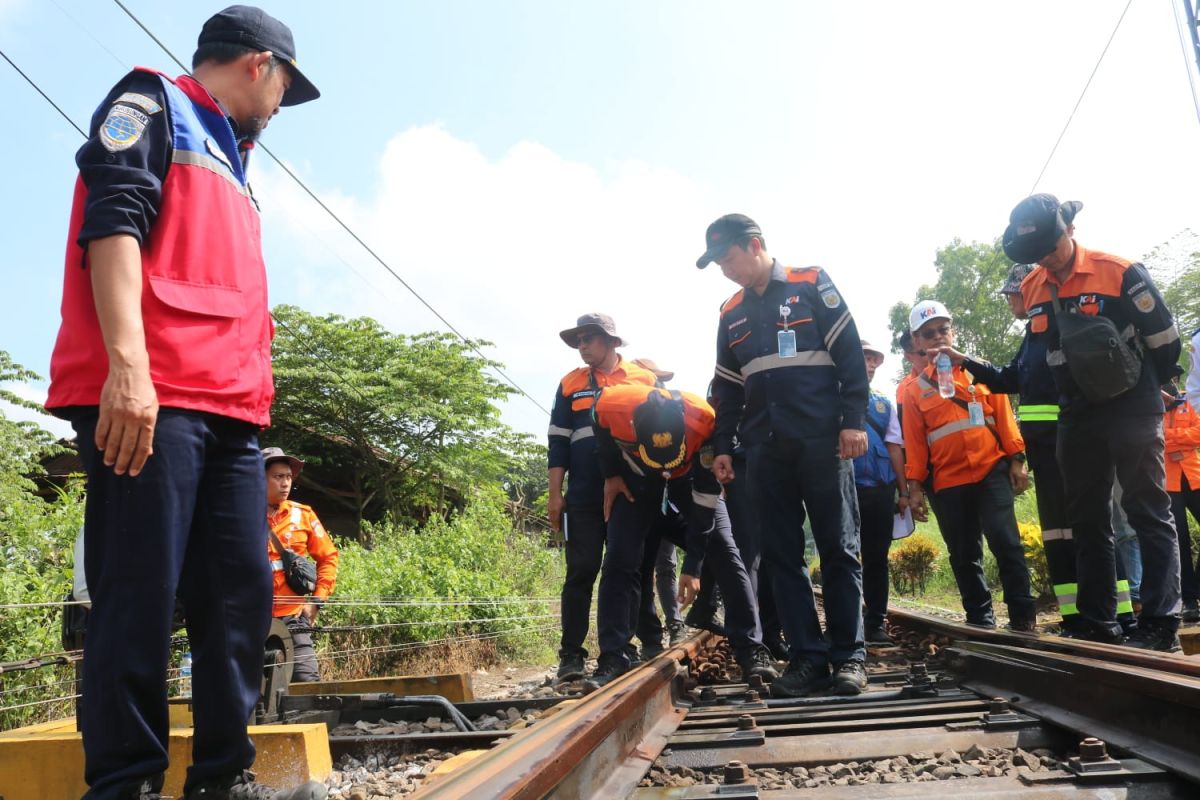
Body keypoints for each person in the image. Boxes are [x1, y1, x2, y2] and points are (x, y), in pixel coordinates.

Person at [44, 6, 325, 799]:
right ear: (258, 66)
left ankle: (222, 778)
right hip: (153, 401)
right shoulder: (152, 103)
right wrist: (127, 368)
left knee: (238, 597)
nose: (276, 111)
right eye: (281, 91)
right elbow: (114, 225)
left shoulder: (234, 165)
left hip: (233, 413)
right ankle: (127, 782)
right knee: (136, 597)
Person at [699, 213, 869, 698]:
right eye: (718, 264)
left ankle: (849, 657)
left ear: (754, 245)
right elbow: (727, 387)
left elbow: (850, 353)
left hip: (821, 440)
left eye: (729, 259)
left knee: (838, 548)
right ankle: (807, 658)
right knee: (781, 556)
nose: (726, 270)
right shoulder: (729, 311)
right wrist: (724, 447)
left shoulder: (810, 283)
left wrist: (853, 419)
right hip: (764, 450)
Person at [1004, 193, 1183, 651]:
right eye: (1035, 252)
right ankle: (1099, 622)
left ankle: (1160, 623)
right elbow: (1040, 361)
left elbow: (1164, 340)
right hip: (1076, 413)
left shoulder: (1118, 272)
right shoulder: (1033, 288)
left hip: (1130, 405)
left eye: (1050, 244)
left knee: (1146, 508)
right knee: (1086, 518)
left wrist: (1145, 390)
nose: (1045, 257)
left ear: (1069, 231)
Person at [938, 264, 1135, 635]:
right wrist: (965, 361)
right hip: (1046, 454)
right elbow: (1010, 378)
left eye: (1015, 291)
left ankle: (1118, 615)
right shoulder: (1034, 334)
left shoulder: (1062, 327)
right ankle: (1075, 618)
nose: (1011, 298)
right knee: (1059, 535)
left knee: (1089, 530)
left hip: (1070, 447)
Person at [587, 384, 777, 687]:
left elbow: (705, 504)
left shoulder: (703, 422)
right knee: (619, 558)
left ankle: (752, 650)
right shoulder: (610, 406)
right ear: (634, 428)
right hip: (635, 476)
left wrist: (693, 567)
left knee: (726, 552)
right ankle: (613, 655)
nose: (664, 467)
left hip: (689, 475)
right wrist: (611, 473)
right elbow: (598, 428)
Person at [901, 301, 1037, 631]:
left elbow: (1004, 419)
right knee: (964, 553)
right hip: (948, 481)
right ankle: (980, 620)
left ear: (953, 332)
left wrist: (1016, 461)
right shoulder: (913, 390)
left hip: (990, 470)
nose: (937, 337)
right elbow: (915, 443)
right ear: (917, 342)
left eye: (943, 329)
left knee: (1006, 541)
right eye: (928, 333)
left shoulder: (981, 371)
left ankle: (1023, 618)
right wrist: (915, 487)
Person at [547, 314, 655, 681]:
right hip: (583, 495)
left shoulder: (642, 379)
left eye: (588, 338)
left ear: (610, 341)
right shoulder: (569, 384)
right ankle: (571, 655)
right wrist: (554, 495)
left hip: (632, 491)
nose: (582, 346)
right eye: (577, 340)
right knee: (581, 570)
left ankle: (621, 648)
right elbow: (557, 443)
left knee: (627, 569)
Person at [263, 448, 339, 682]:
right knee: (252, 696)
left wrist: (316, 602)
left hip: (293, 618)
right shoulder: (238, 516)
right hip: (250, 620)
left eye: (288, 477)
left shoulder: (303, 515)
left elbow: (328, 558)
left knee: (308, 684)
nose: (285, 483)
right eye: (278, 477)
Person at [854, 341, 908, 645]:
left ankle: (875, 623)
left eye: (875, 360)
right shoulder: (829, 398)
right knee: (844, 557)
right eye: (866, 359)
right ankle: (846, 625)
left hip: (879, 491)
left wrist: (903, 491)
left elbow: (894, 448)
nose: (871, 365)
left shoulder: (883, 405)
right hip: (844, 491)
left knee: (876, 558)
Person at [630, 358, 686, 652]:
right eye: (652, 377)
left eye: (659, 378)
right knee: (642, 567)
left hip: (670, 500)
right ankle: (650, 636)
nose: (657, 383)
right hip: (641, 500)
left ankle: (675, 624)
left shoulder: (672, 410)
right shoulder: (633, 413)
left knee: (666, 565)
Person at [1162, 383, 1200, 622]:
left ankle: (1196, 585)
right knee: (1180, 540)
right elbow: (1154, 438)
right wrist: (1184, 442)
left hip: (1194, 476)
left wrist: (1172, 440)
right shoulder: (1152, 405)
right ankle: (1189, 600)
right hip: (1168, 482)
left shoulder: (1189, 401)